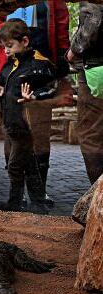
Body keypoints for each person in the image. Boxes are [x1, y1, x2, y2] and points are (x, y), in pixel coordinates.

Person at [0, 0, 72, 206]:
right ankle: (19, 194)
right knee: (13, 131)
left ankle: (39, 193)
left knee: (39, 133)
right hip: (12, 66)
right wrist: (6, 34)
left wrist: (61, 64)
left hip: (40, 67)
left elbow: (61, 26)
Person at [0, 19, 57, 212]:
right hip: (12, 125)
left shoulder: (39, 64)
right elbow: (6, 89)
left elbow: (53, 87)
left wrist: (34, 96)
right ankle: (38, 202)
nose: (6, 51)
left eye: (9, 46)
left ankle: (15, 202)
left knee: (15, 166)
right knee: (30, 164)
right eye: (3, 47)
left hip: (27, 126)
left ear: (25, 41)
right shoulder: (9, 67)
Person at [66, 2, 103, 184]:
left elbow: (93, 20)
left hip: (96, 68)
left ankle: (98, 196)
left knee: (92, 134)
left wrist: (74, 50)